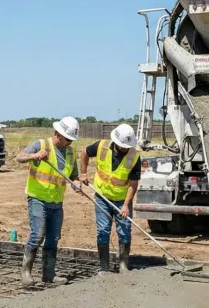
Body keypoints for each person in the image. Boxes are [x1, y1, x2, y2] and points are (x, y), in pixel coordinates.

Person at [16, 116, 81, 285]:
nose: (69, 143)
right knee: (38, 235)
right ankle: (26, 273)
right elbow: (19, 157)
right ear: (57, 134)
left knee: (53, 238)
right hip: (38, 198)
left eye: (71, 140)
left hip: (57, 202)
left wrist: (76, 184)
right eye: (67, 139)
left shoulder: (71, 152)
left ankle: (49, 274)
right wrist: (35, 155)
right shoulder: (42, 145)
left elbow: (74, 175)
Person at [78, 123, 141, 272]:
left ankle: (123, 265)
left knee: (124, 230)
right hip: (102, 197)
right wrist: (83, 173)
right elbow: (84, 152)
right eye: (122, 146)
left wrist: (126, 205)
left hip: (121, 200)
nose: (125, 149)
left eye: (127, 146)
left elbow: (133, 183)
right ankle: (104, 267)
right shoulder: (102, 146)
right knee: (103, 231)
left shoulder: (134, 156)